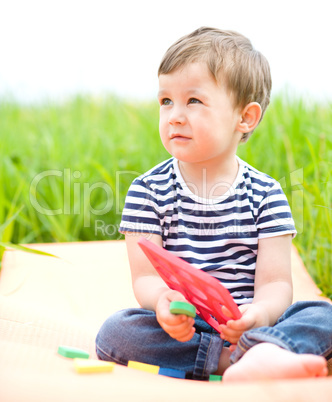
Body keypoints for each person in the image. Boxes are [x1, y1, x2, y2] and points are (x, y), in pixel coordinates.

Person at [96, 27, 332, 381]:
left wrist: (259, 316)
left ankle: (261, 349)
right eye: (166, 101)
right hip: (187, 328)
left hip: (250, 324)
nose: (174, 115)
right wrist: (163, 304)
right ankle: (237, 363)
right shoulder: (147, 190)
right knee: (117, 331)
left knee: (321, 315)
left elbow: (276, 284)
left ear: (245, 118)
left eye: (194, 101)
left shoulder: (266, 194)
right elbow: (145, 277)